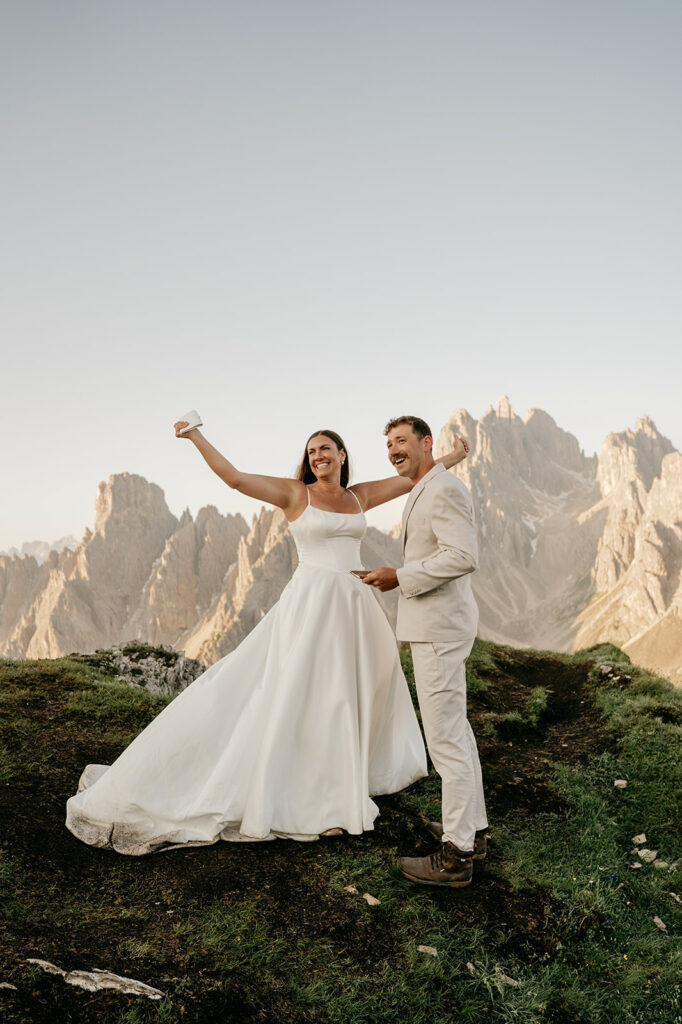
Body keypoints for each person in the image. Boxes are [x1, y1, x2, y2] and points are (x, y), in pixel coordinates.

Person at [65, 421, 469, 855]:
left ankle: (337, 782)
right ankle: (307, 791)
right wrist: (196, 437)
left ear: (342, 455)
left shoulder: (358, 496)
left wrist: (453, 458)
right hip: (311, 608)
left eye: (327, 449)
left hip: (353, 609)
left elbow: (412, 479)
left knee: (345, 697)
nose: (319, 456)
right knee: (303, 695)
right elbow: (236, 479)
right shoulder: (296, 494)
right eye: (313, 451)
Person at [363, 415, 487, 888]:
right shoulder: (429, 482)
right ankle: (471, 829)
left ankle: (455, 857)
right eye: (389, 443)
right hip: (437, 626)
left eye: (402, 441)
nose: (394, 449)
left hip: (439, 630)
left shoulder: (444, 489)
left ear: (426, 442)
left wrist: (400, 577)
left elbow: (463, 555)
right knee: (457, 733)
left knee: (446, 742)